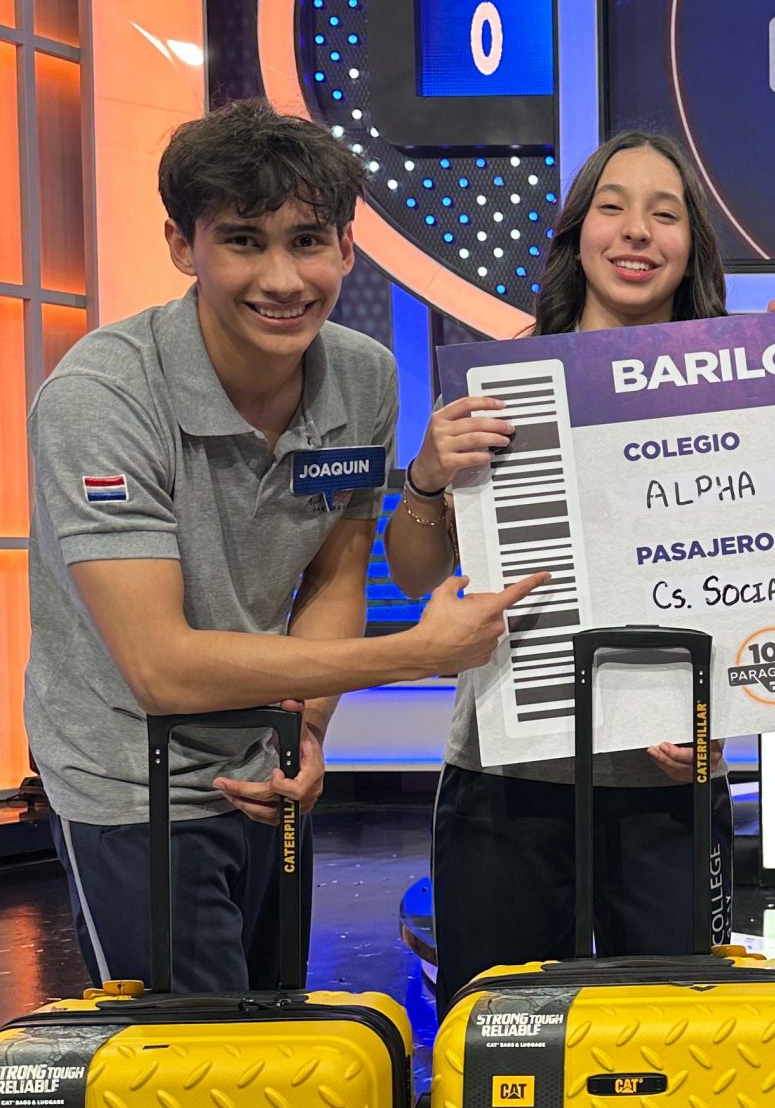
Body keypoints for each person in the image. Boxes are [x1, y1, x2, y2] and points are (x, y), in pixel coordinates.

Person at [27, 100, 543, 996]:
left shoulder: (361, 374)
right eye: (243, 241)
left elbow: (335, 572)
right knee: (185, 1058)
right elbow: (160, 668)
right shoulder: (102, 397)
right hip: (131, 780)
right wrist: (418, 653)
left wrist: (305, 729)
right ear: (183, 246)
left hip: (269, 764)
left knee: (273, 1041)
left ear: (346, 248)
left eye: (307, 242)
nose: (282, 279)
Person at [399, 132, 754, 1010]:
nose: (636, 232)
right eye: (613, 207)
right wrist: (427, 476)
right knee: (504, 1046)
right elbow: (415, 574)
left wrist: (728, 716)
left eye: (664, 214)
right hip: (507, 778)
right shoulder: (496, 387)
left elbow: (770, 580)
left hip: (669, 782)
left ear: (692, 247)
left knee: (676, 1048)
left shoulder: (738, 386)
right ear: (576, 234)